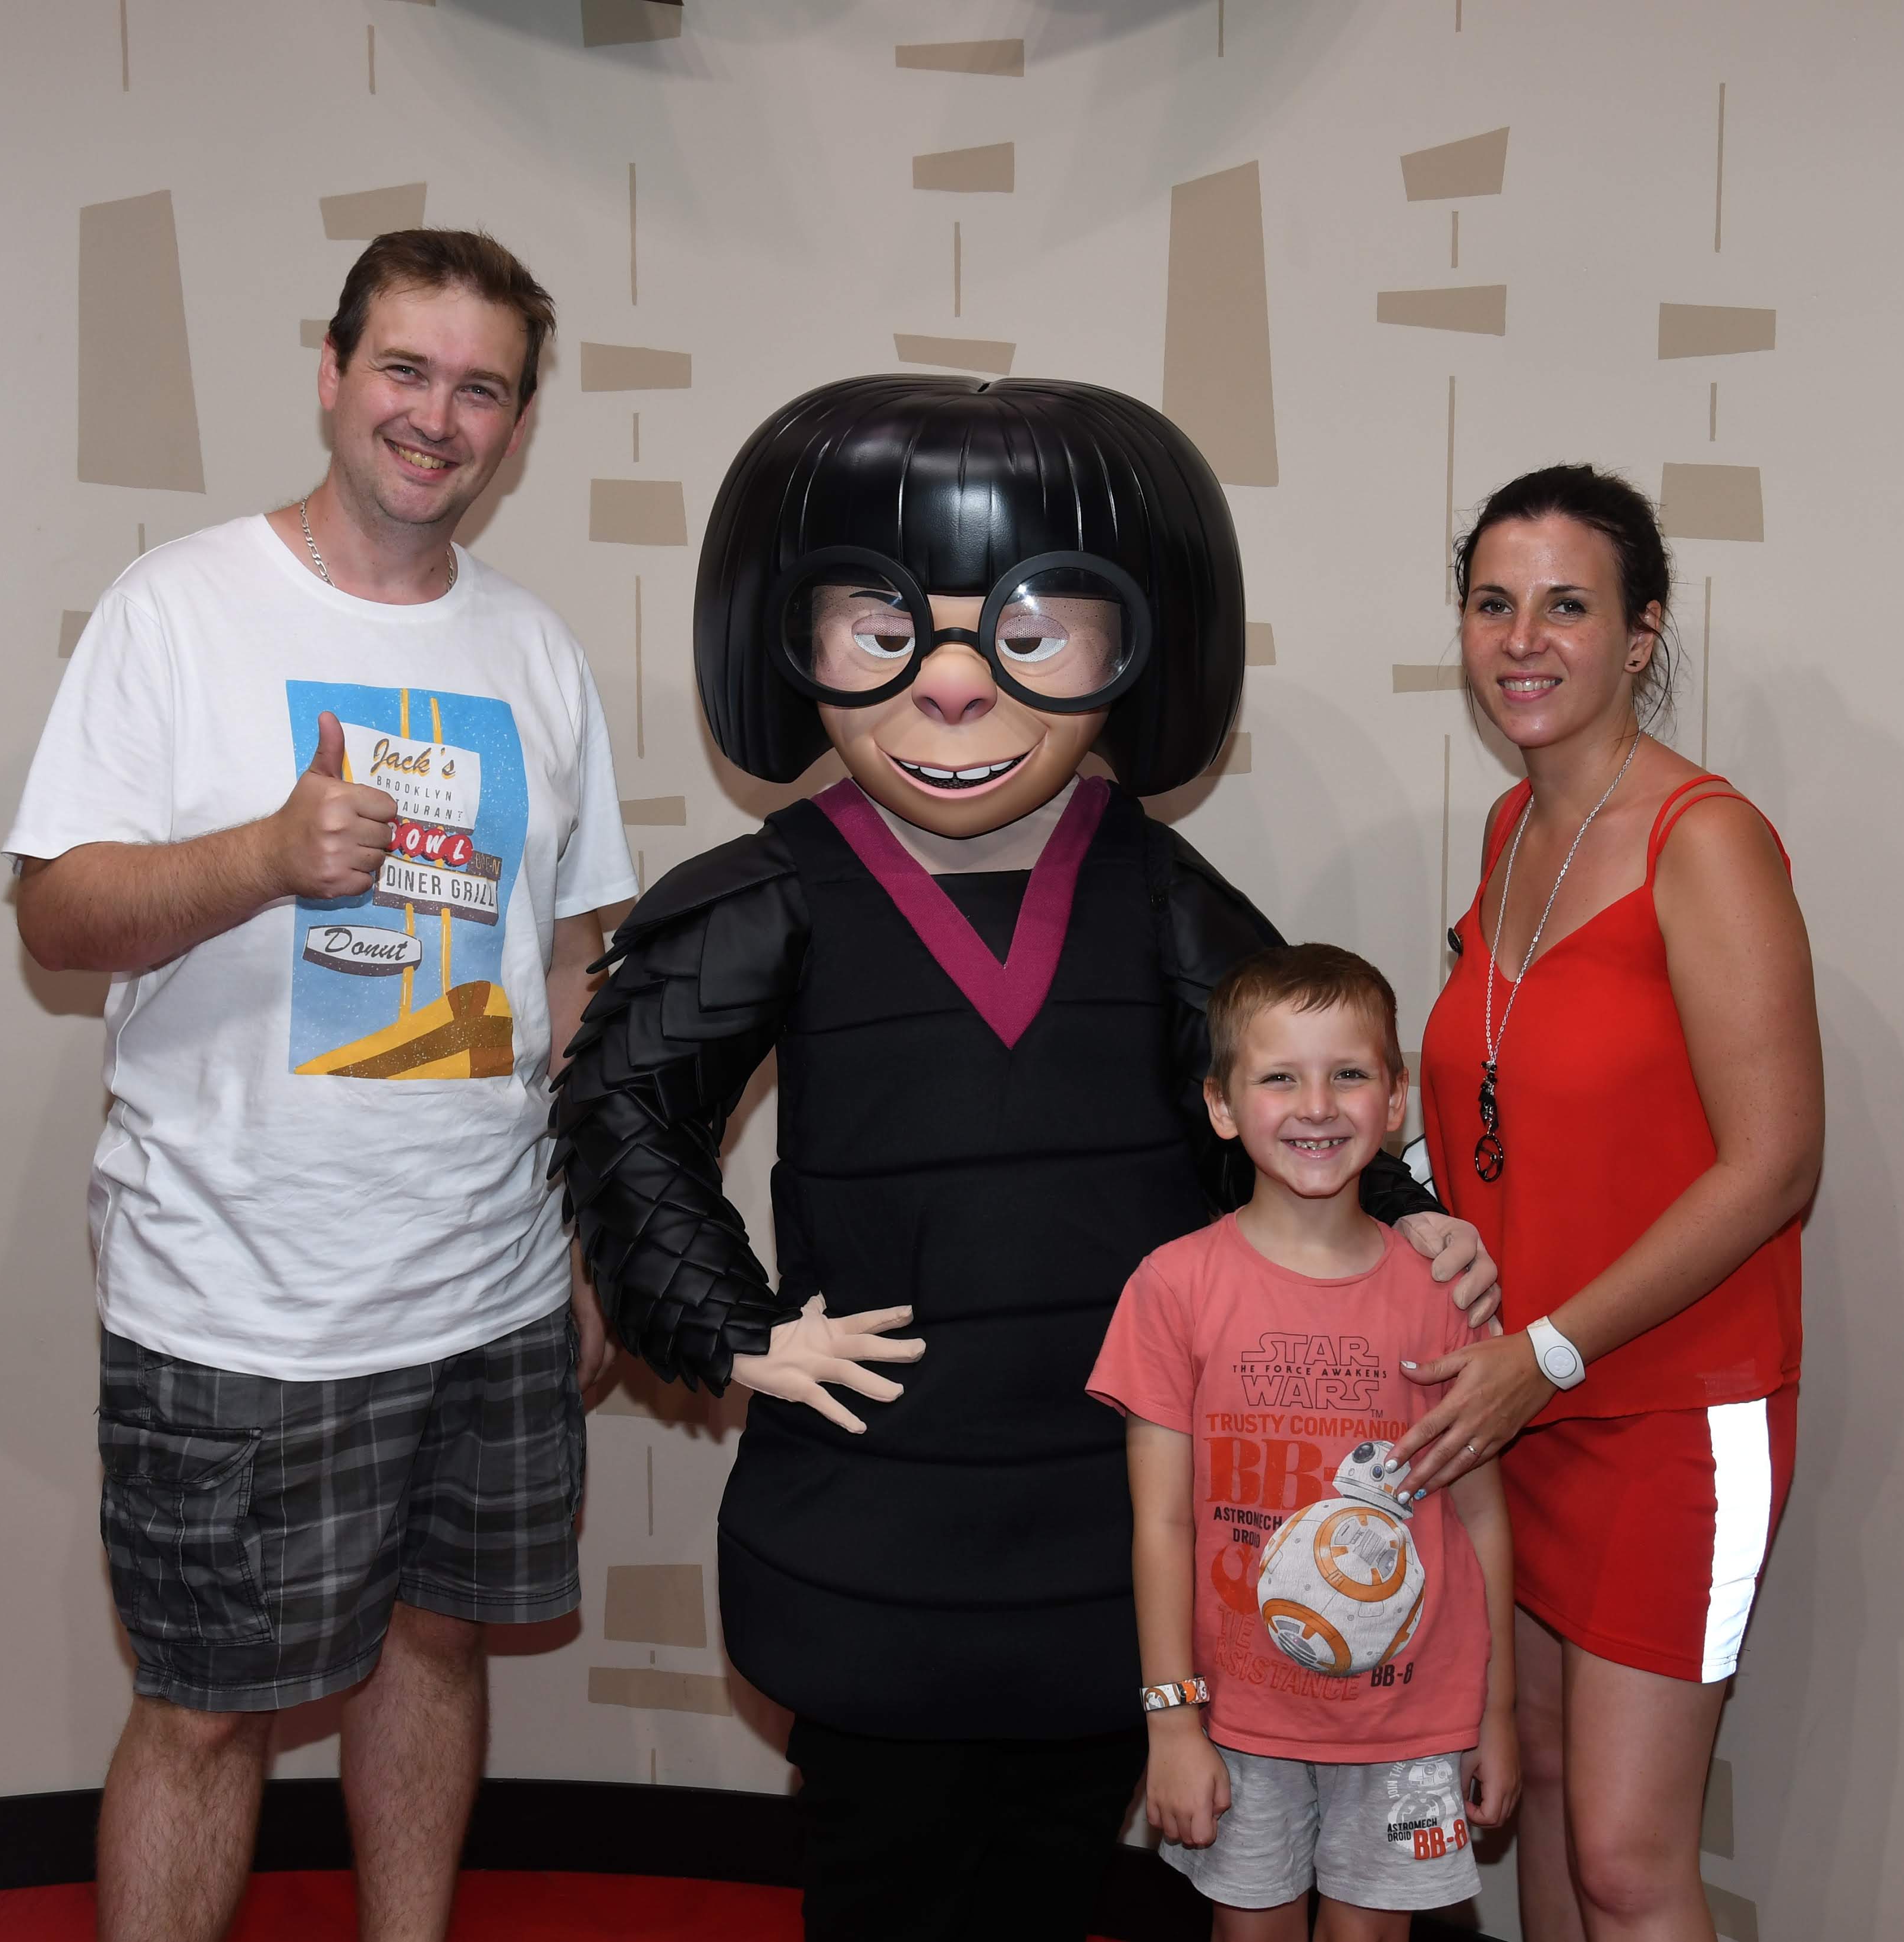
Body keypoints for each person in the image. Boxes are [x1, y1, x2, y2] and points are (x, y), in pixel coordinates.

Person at [549, 376, 1499, 1942]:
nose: (949, 687)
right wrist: (730, 1325)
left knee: (1060, 1876)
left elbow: (1282, 1080)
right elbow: (621, 1101)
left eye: (1031, 633)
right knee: (882, 1878)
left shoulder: (1157, 890)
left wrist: (1401, 1211)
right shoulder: (773, 890)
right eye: (883, 628)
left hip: (1106, 1521)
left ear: (1135, 646)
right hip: (870, 1527)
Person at [6, 229, 633, 1942]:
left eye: (482, 388)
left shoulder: (535, 651)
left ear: (517, 423)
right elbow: (57, 914)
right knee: (207, 1708)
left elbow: (572, 964)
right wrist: (268, 857)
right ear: (333, 373)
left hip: (488, 1285)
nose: (437, 416)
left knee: (435, 1643)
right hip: (237, 1295)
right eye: (405, 370)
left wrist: (588, 1243)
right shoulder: (179, 608)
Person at [1388, 465, 1822, 1942]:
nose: (1522, 640)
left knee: (1630, 1863)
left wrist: (1550, 1349)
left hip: (1667, 1416)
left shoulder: (1705, 838)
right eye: (1492, 603)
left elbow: (1775, 1163)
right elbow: (1512, 1112)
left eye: (1566, 605)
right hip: (1516, 1404)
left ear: (1639, 636)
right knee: (1550, 1784)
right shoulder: (1515, 827)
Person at [1089, 945, 1520, 1942]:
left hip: (1410, 1717)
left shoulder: (1445, 1297)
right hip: (1238, 1717)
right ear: (1221, 1104)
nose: (1316, 1105)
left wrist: (1495, 1713)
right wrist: (1171, 1719)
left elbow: (1482, 1518)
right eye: (1279, 1076)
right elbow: (1159, 1525)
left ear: (1394, 1098)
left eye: (1349, 1073)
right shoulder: (1172, 1286)